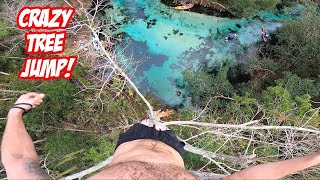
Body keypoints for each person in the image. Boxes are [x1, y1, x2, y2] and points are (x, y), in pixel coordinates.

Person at [2, 92, 320, 179]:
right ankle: (163, 125)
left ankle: (151, 120)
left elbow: (19, 164)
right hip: (173, 151)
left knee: (147, 121)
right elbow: (249, 177)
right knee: (166, 127)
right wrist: (312, 160)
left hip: (131, 144)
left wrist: (17, 110)